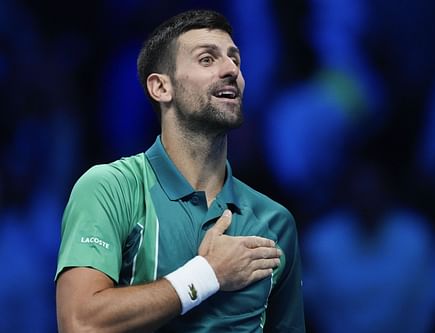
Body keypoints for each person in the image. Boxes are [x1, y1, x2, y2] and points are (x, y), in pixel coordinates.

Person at [55, 9, 305, 333]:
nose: (231, 70)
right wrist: (206, 275)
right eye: (206, 59)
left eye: (236, 60)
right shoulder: (109, 188)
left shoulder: (275, 221)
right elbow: (79, 322)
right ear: (161, 88)